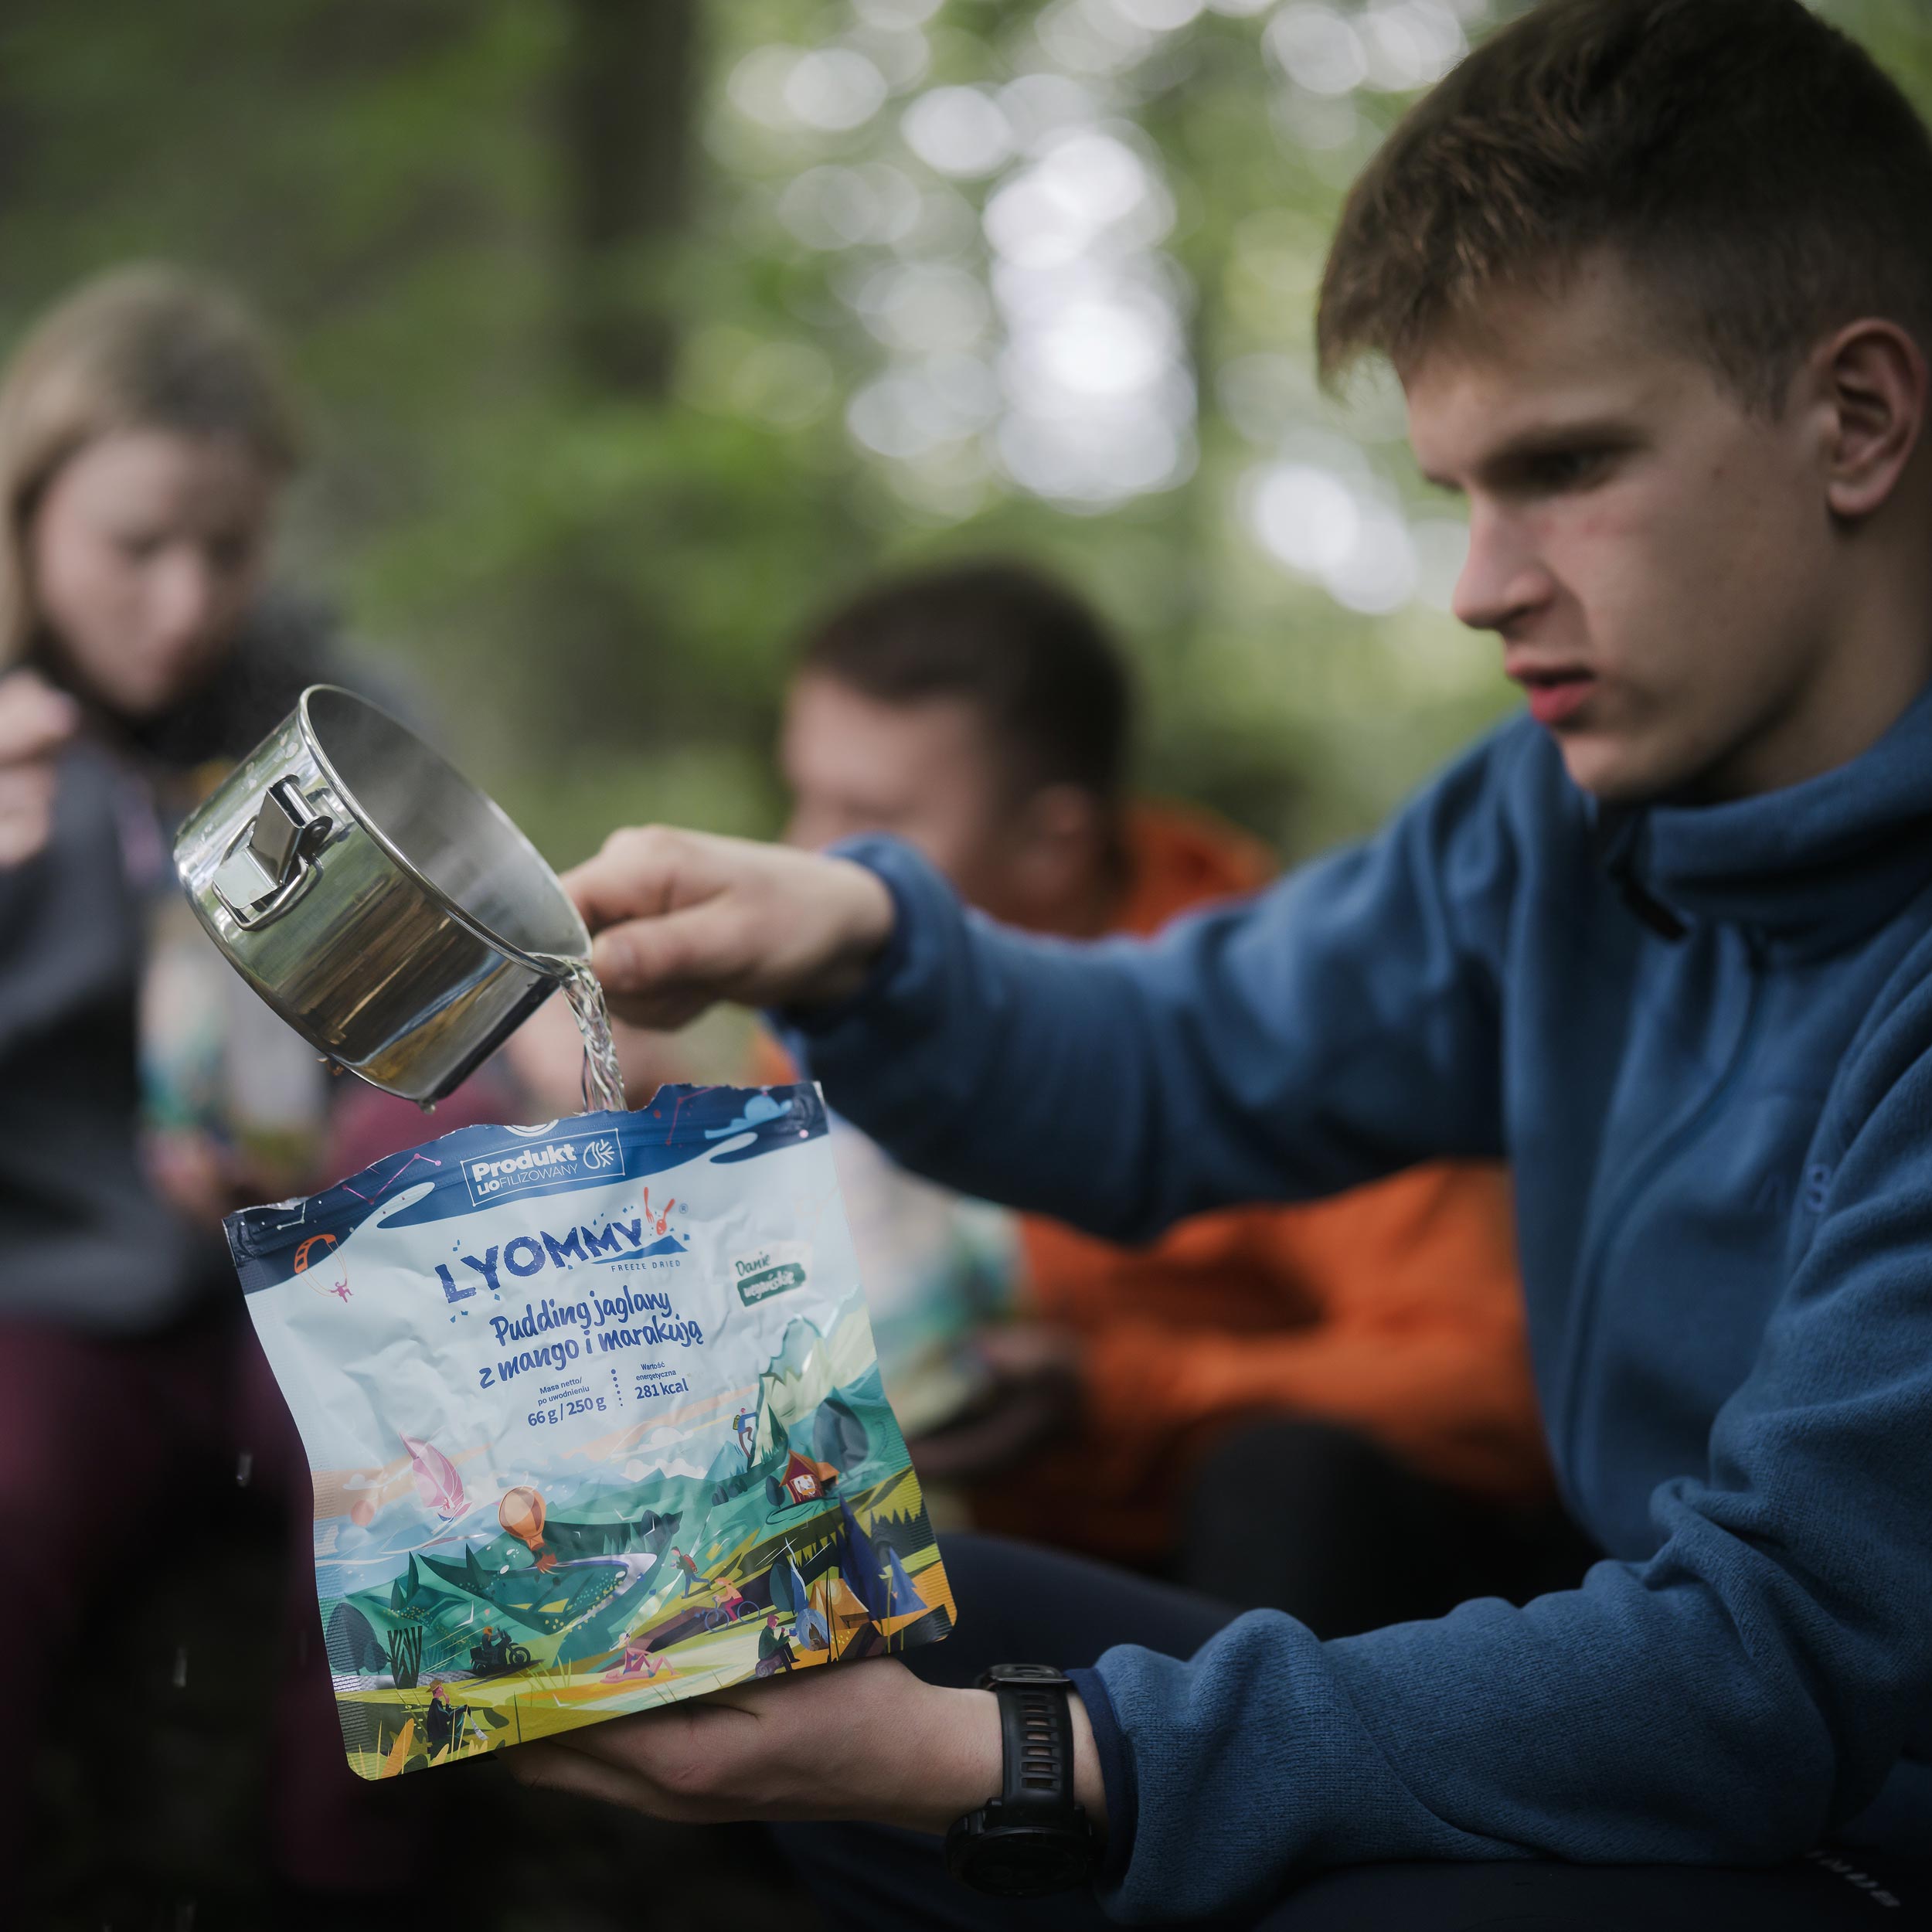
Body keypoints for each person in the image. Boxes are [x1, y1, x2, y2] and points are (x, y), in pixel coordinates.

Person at [509, 0, 1932, 1921]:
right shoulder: (1553, 816)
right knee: (830, 1662)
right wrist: (856, 941)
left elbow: (1770, 1659)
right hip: (1703, 1743)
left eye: (1565, 466)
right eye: (1455, 492)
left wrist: (1043, 1757)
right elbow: (1187, 1058)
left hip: (1845, 1814)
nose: (1477, 584)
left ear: (1855, 417)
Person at [773, 562, 1568, 1633]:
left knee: (1289, 1479)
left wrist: (1125, 1394)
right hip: (992, 1555)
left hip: (1283, 1586)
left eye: (865, 822)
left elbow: (1490, 1385)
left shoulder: (1298, 1017)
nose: (798, 859)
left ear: (1053, 843)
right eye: (803, 796)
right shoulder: (820, 1022)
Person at [0, 266, 445, 1903]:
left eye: (228, 548)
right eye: (134, 545)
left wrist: (339, 1165)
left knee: (411, 1464)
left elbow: (460, 1025)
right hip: (44, 1297)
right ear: (29, 504)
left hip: (311, 1272)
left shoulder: (329, 720)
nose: (181, 601)